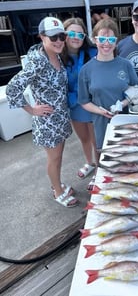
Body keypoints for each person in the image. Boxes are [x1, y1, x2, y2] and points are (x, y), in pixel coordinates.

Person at [5, 17, 78, 208]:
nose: (59, 41)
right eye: (53, 37)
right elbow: (12, 88)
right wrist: (31, 109)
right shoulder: (37, 61)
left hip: (60, 118)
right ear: (42, 37)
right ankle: (58, 191)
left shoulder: (56, 54)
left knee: (58, 156)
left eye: (62, 36)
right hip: (48, 122)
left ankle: (57, 185)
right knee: (54, 158)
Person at [78, 19, 138, 188]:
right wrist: (100, 111)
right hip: (100, 123)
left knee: (126, 157)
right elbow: (84, 101)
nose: (107, 44)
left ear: (116, 41)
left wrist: (122, 103)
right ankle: (104, 182)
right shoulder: (86, 70)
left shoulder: (125, 65)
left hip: (125, 121)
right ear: (94, 39)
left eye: (111, 40)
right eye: (102, 39)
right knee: (104, 157)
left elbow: (136, 90)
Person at [62, 17, 98, 180]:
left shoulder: (92, 53)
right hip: (74, 106)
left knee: (95, 140)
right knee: (84, 138)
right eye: (72, 33)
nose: (76, 37)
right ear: (64, 35)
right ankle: (89, 163)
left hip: (92, 104)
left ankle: (99, 170)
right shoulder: (58, 56)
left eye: (80, 34)